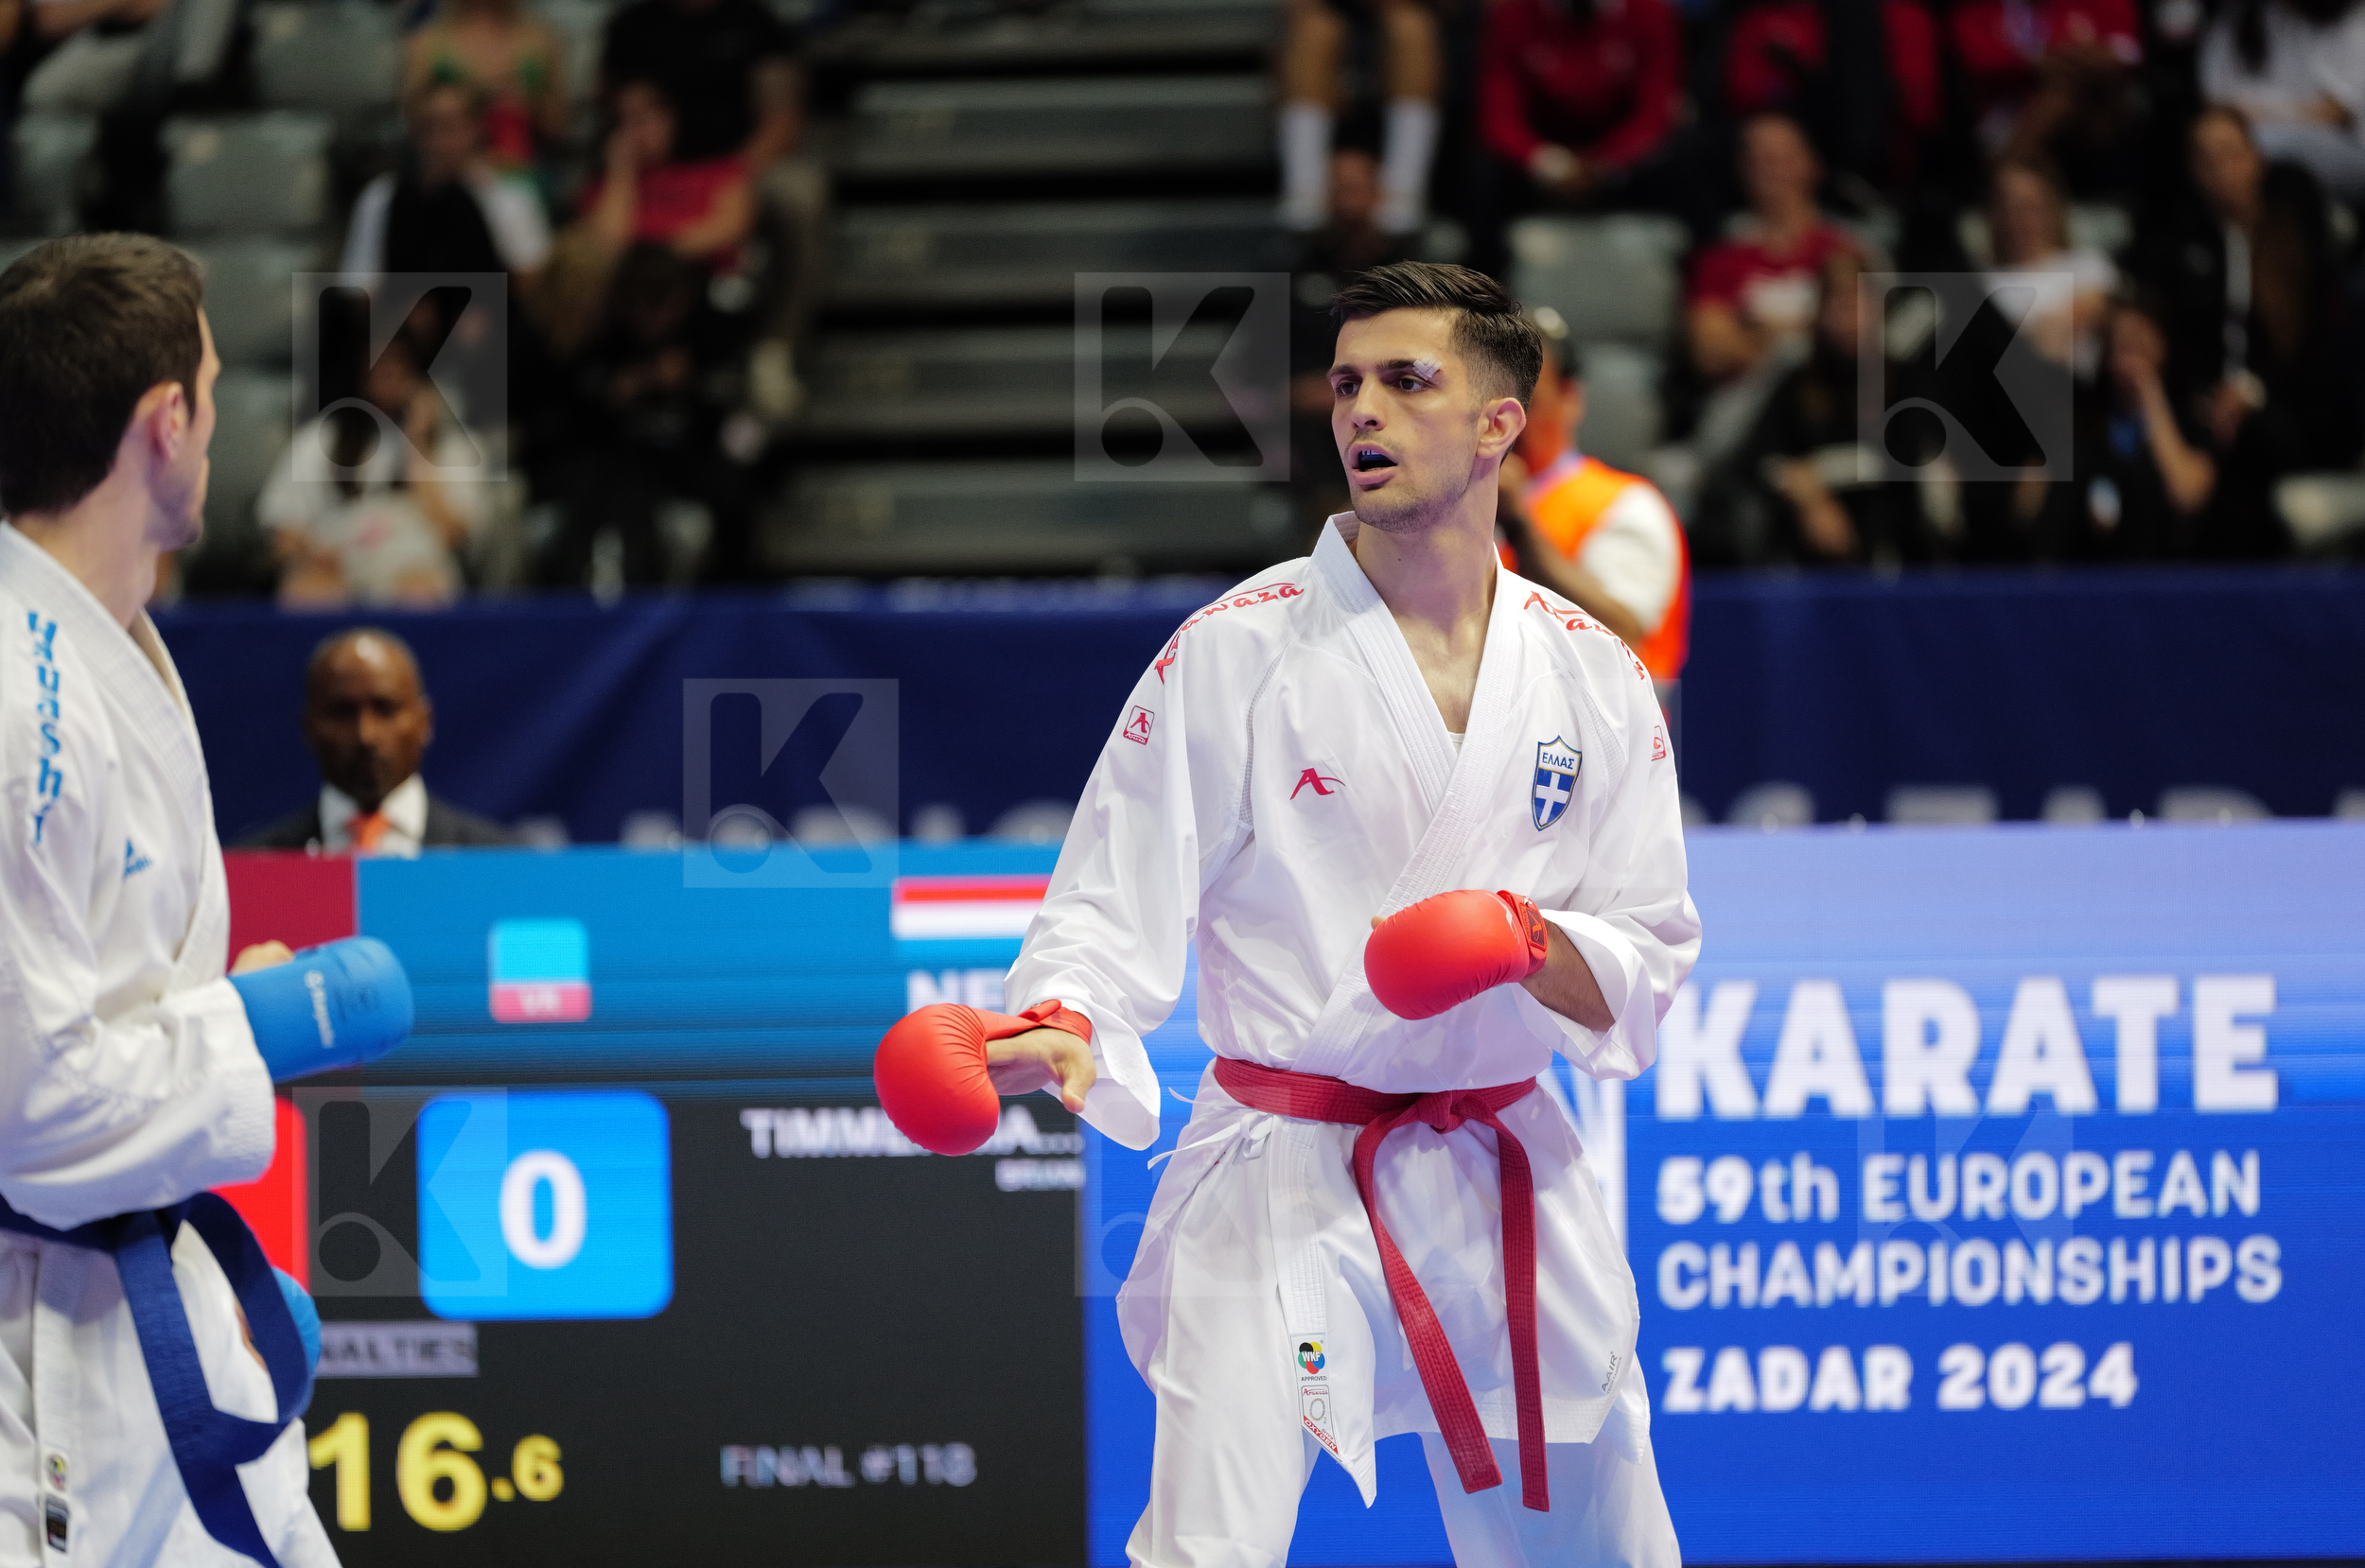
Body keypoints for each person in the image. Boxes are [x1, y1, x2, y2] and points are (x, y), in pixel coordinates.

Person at [900, 262, 1698, 1564]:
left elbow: (1653, 954)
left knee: (1601, 1544)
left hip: (1504, 1159)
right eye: (1345, 383)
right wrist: (1063, 1017)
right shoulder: (1240, 647)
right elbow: (1112, 888)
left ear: (1503, 421)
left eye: (1406, 379)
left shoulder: (1594, 672)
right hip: (1279, 1162)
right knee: (1206, 1548)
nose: (1361, 411)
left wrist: (1531, 942)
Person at [0, 234, 337, 1566]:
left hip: (144, 1318)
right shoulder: (23, 697)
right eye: (207, 389)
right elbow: (29, 1103)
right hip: (44, 1373)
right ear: (162, 424)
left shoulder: (103, 635)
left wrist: (206, 1004)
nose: (214, 426)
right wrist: (255, 1026)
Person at [2128, 104, 2356, 555]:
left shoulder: (2299, 245)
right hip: (2202, 413)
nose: (2220, 171)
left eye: (2230, 154)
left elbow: (2323, 358)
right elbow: (2154, 322)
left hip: (2290, 413)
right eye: (2206, 159)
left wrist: (2253, 392)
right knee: (2156, 461)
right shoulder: (2177, 245)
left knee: (2250, 443)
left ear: (2258, 160)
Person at [1497, 312, 1690, 687]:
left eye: (1526, 402)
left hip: (1607, 735)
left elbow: (1620, 632)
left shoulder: (1626, 504)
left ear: (1570, 398)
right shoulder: (1456, 501)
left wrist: (1519, 524)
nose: (1507, 421)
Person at [257, 323, 491, 607]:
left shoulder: (451, 448)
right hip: (339, 561)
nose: (387, 371)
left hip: (413, 562)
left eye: (397, 361)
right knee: (307, 592)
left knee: (421, 594)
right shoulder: (320, 441)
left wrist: (418, 447)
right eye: (377, 362)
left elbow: (453, 533)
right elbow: (283, 534)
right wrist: (314, 554)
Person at [240, 627, 514, 854]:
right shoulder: (254, 865)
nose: (365, 735)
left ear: (424, 722)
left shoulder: (499, 861)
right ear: (309, 728)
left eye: (385, 709)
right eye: (341, 712)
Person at [537, 76, 753, 354]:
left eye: (645, 118)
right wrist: (621, 170)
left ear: (671, 117)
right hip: (619, 300)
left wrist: (651, 253)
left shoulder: (717, 169)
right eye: (625, 121)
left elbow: (732, 226)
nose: (636, 131)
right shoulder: (604, 189)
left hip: (701, 291)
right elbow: (604, 244)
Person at [1473, 0, 1683, 218]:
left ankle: (1703, 249)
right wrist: (1547, 162)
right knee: (1483, 172)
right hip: (1541, 151)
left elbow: (1656, 110)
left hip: (1621, 153)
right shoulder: (1514, 13)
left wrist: (1607, 162)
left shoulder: (1649, 11)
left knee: (1683, 159)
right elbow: (1498, 113)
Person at [340, 79, 553, 294]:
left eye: (450, 126)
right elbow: (358, 290)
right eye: (428, 127)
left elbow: (534, 284)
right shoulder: (381, 196)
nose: (438, 141)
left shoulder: (509, 198)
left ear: (475, 128)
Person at [1721, 0, 1941, 189]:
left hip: (1869, 129)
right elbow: (1740, 89)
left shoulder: (1899, 16)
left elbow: (1921, 104)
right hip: (1778, 117)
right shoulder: (1760, 19)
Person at [1277, 0, 1441, 233]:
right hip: (1337, 122)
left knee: (1409, 28)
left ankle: (1403, 192)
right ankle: (1306, 189)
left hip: (1399, 113)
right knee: (1314, 31)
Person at [1946, 0, 2141, 189]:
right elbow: (1981, 61)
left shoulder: (2072, 7)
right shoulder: (1979, 10)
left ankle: (2005, 170)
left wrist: (2059, 60)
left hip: (2089, 108)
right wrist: (2036, 65)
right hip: (2007, 111)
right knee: (2061, 94)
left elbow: (2125, 55)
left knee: (2069, 91)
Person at [2199, 0, 2365, 200]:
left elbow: (2338, 113)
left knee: (2270, 139)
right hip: (2278, 134)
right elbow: (2213, 103)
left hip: (2351, 148)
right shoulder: (2247, 19)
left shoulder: (2353, 20)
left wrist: (2261, 113)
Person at [401, 0, 569, 185]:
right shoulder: (426, 43)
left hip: (522, 172)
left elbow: (560, 126)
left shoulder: (540, 40)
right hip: (449, 177)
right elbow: (413, 122)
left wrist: (527, 102)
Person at [1983, 152, 2113, 375]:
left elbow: (2096, 310)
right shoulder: (1984, 283)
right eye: (2010, 208)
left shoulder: (2086, 264)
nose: (2020, 219)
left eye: (2030, 206)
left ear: (2051, 207)